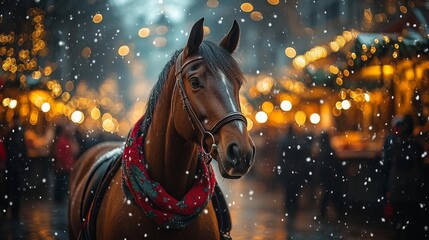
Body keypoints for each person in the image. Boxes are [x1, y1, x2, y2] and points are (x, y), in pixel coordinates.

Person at [382, 114, 425, 239]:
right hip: (412, 184)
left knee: (398, 213)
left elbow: (386, 162)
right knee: (410, 213)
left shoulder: (392, 140)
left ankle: (398, 231)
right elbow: (420, 158)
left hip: (396, 183)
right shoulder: (414, 142)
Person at [2, 114, 28, 219]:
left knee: (12, 190)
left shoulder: (14, 134)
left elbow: (22, 151)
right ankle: (11, 211)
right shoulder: (14, 134)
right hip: (12, 166)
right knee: (10, 190)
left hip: (13, 166)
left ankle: (12, 211)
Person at [279, 125, 306, 224]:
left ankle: (288, 208)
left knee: (288, 191)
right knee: (295, 191)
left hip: (287, 171)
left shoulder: (283, 142)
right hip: (296, 171)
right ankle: (294, 208)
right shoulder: (298, 141)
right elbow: (303, 157)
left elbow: (280, 158)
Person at [315, 131, 343, 220]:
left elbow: (321, 165)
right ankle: (338, 212)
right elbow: (335, 164)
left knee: (327, 195)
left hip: (326, 175)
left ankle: (323, 213)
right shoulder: (330, 150)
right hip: (330, 175)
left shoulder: (322, 150)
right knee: (330, 194)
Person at [52, 125, 79, 203]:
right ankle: (59, 199)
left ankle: (59, 198)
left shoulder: (65, 140)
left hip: (65, 166)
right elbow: (62, 154)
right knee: (61, 184)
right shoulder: (63, 141)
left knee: (61, 183)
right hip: (64, 166)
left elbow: (74, 151)